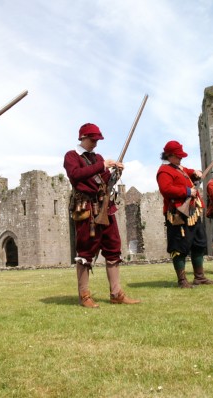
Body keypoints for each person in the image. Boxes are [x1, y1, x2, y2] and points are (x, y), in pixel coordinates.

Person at [63, 123, 140, 308]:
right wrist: (102, 165)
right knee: (85, 251)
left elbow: (103, 181)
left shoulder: (97, 158)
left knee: (113, 247)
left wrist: (114, 172)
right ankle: (84, 295)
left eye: (97, 140)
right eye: (92, 139)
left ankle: (116, 293)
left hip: (105, 206)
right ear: (83, 137)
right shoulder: (71, 156)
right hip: (86, 208)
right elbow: (75, 175)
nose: (95, 144)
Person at [156, 141, 213, 288]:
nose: (181, 158)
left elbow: (189, 173)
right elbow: (166, 189)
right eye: (178, 156)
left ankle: (199, 277)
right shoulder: (164, 171)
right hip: (178, 213)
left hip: (193, 211)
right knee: (179, 246)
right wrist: (188, 191)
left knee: (198, 244)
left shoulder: (180, 169)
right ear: (170, 155)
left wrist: (196, 173)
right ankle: (182, 280)